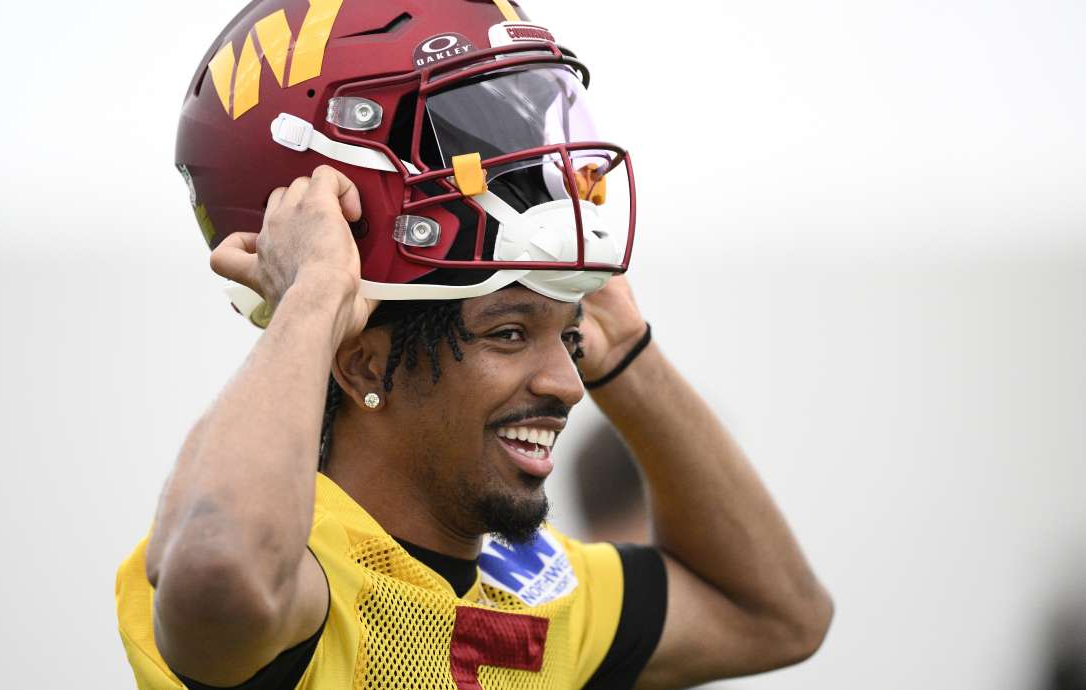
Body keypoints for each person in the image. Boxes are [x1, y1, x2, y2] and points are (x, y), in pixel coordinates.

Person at [115, 1, 834, 688]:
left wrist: (628, 356)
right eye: (511, 332)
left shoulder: (542, 591)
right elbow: (218, 573)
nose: (567, 382)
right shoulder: (300, 576)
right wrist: (313, 296)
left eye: (570, 335)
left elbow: (781, 616)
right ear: (362, 359)